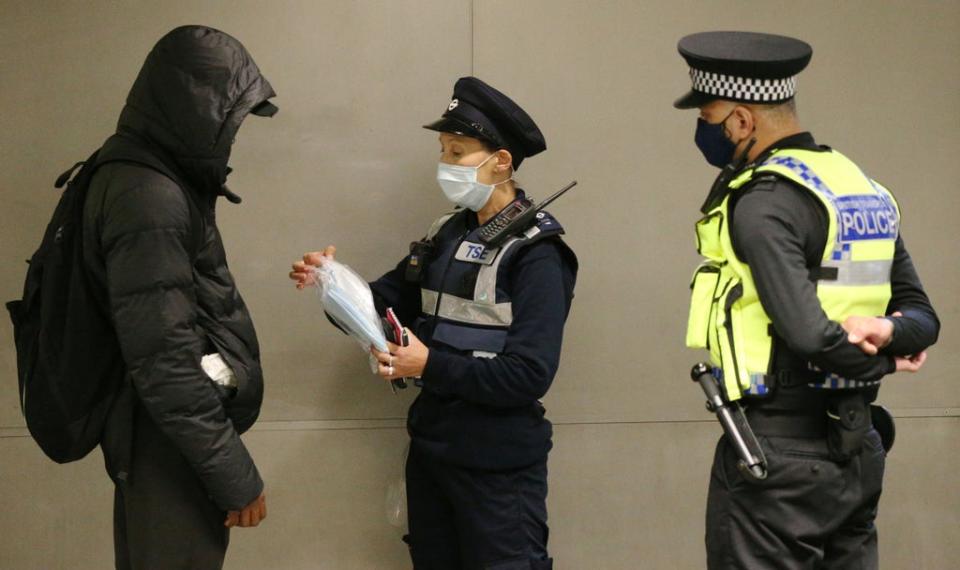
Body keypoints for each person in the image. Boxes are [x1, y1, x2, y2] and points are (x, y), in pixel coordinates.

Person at [675, 31, 940, 569]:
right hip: (857, 446)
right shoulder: (859, 186)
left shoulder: (763, 201)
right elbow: (922, 316)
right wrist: (891, 337)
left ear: (742, 121)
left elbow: (809, 335)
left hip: (779, 453)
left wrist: (885, 355)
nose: (702, 130)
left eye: (706, 117)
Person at [290, 76, 577, 570]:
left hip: (497, 465)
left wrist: (428, 364)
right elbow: (382, 306)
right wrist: (332, 283)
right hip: (433, 449)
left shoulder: (538, 255)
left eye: (459, 152)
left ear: (501, 161)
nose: (446, 164)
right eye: (443, 150)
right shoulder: (445, 233)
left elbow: (530, 374)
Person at [82, 26, 277, 569]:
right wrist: (235, 476)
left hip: (167, 435)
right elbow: (166, 361)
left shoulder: (148, 177)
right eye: (229, 119)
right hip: (167, 442)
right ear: (195, 108)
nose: (232, 135)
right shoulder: (149, 196)